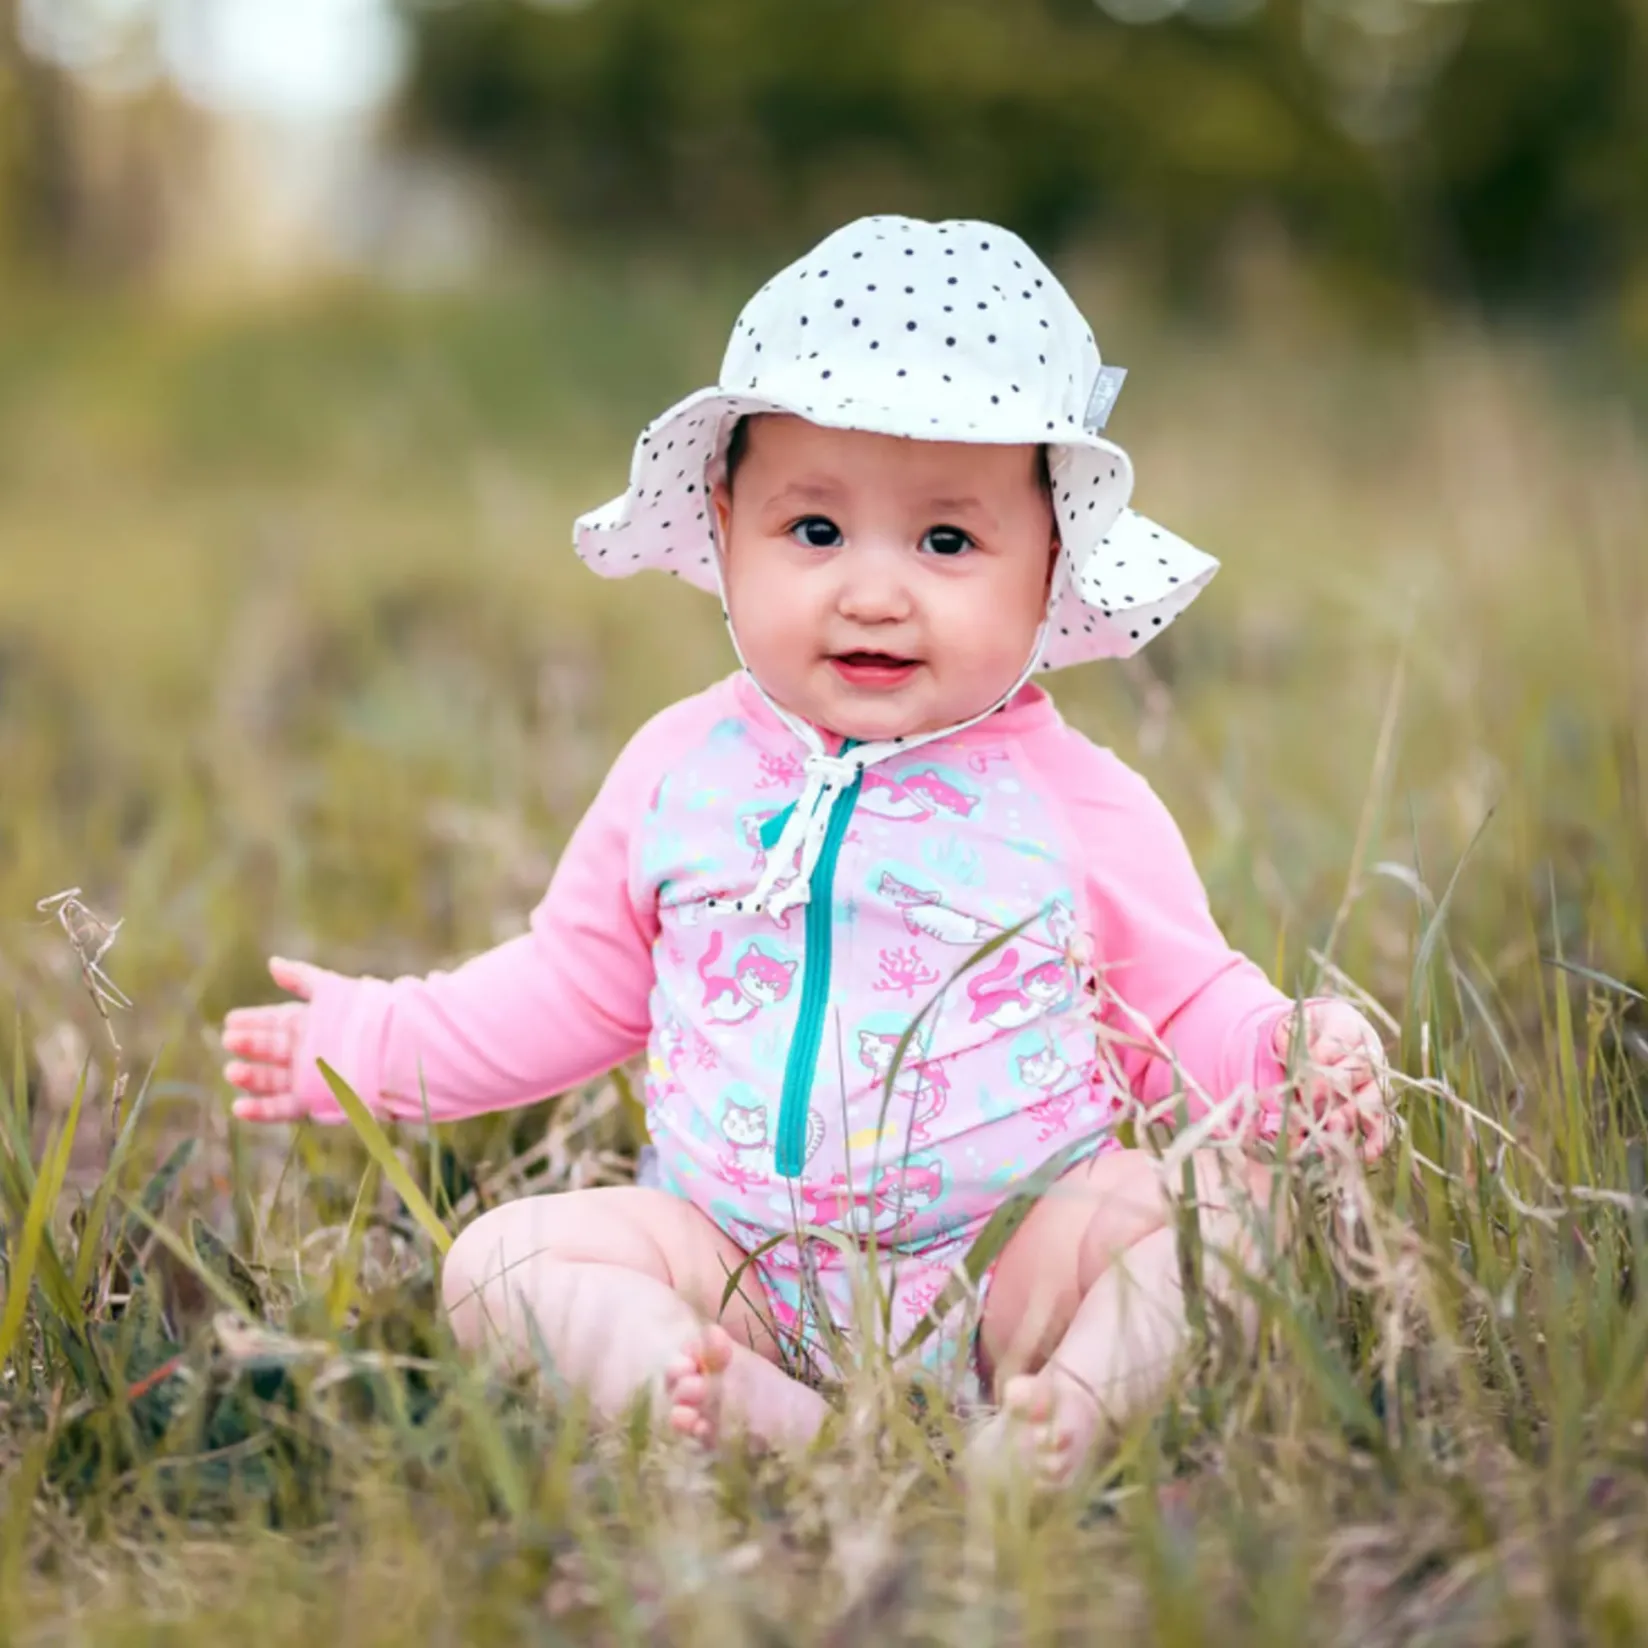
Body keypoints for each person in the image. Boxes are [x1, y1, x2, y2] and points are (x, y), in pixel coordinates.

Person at [221, 215, 1389, 1487]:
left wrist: (1288, 1061)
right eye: (815, 532)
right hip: (734, 1260)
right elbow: (568, 984)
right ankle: (767, 1419)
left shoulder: (1075, 801)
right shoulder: (680, 773)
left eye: (946, 542)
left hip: (1009, 1255)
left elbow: (1189, 1010)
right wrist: (379, 1044)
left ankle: (1065, 1412)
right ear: (723, 528)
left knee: (1233, 1212)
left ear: (1049, 559)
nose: (873, 592)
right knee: (493, 1264)